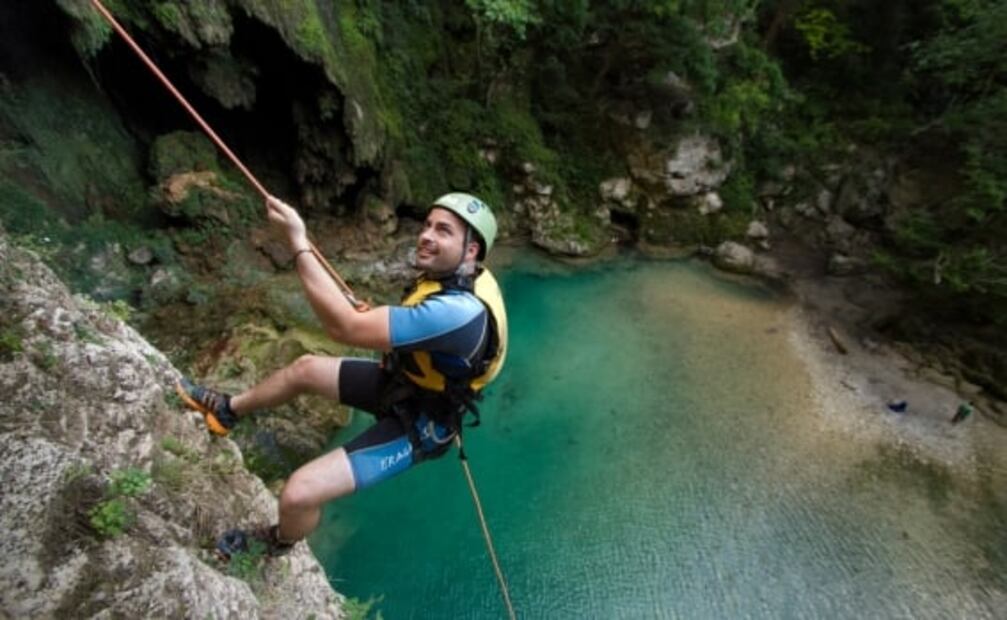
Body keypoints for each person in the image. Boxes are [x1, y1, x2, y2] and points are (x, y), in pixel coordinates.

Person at [176, 192, 508, 556]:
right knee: (305, 369)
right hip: (402, 384)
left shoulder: (459, 312)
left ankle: (278, 541)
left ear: (471, 251)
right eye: (427, 225)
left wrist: (298, 242)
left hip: (422, 423)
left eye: (443, 231)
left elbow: (343, 328)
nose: (426, 235)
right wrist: (377, 324)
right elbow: (416, 330)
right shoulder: (454, 277)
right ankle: (228, 409)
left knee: (299, 492)